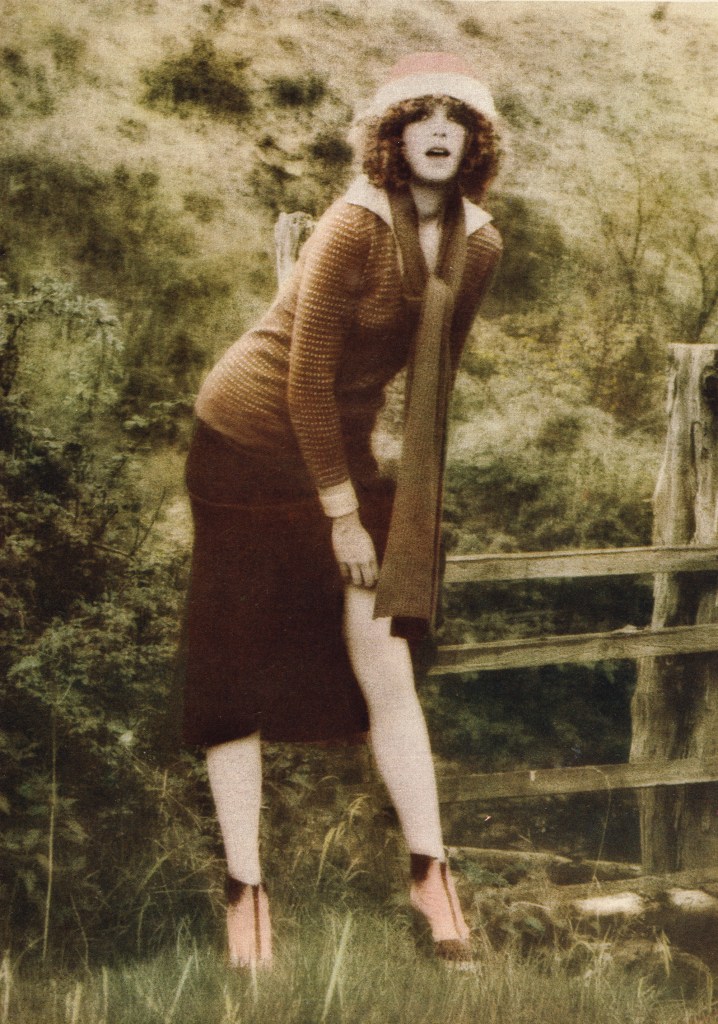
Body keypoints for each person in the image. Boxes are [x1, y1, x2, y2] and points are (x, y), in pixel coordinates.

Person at [181, 51, 503, 968]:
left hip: (338, 444)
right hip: (248, 439)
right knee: (237, 662)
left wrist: (404, 513)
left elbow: (432, 384)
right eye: (419, 116)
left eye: (456, 119)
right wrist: (344, 514)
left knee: (384, 652)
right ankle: (246, 896)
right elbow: (304, 380)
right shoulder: (353, 225)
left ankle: (432, 879)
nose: (437, 131)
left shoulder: (479, 243)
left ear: (475, 143)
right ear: (392, 137)